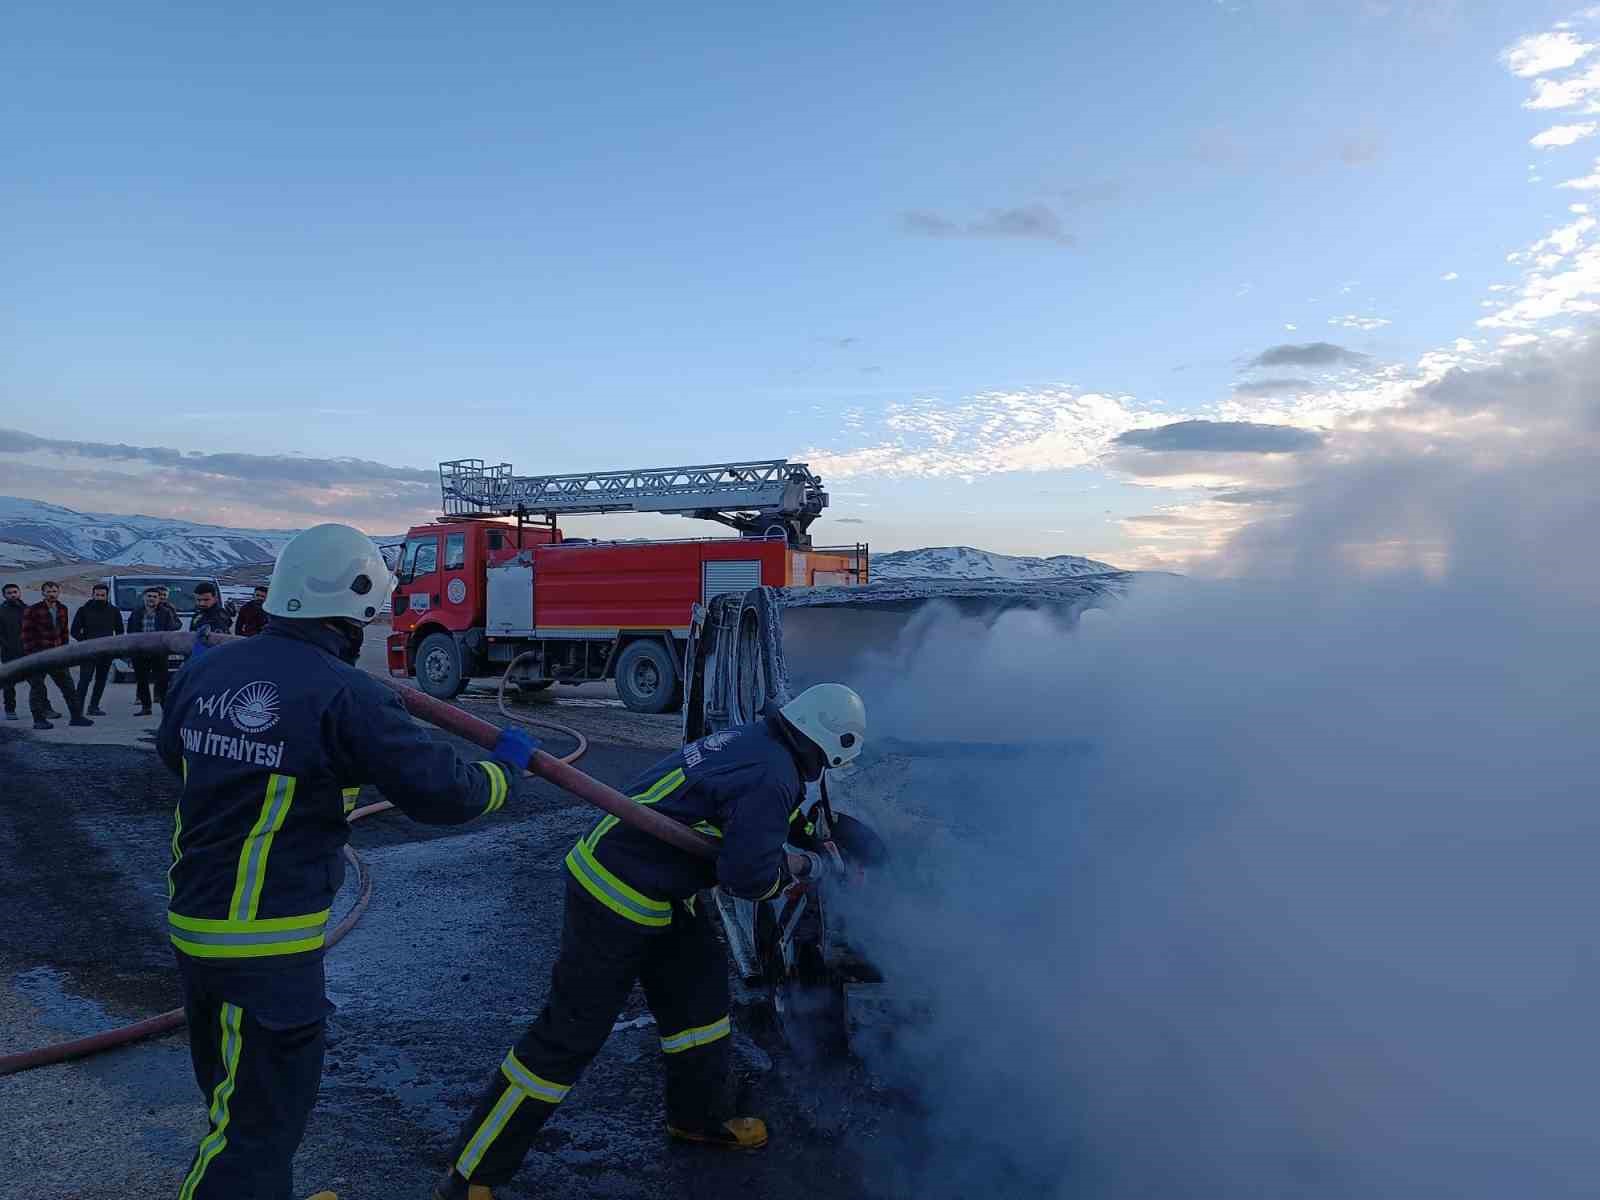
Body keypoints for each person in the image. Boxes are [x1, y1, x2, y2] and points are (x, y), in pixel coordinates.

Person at [157, 522, 537, 1200]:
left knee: (234, 1093)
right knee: (255, 1126)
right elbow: (444, 793)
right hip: (267, 948)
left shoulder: (206, 667)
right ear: (356, 602)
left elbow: (172, 754)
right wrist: (504, 774)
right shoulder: (347, 693)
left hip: (196, 924)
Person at [432, 682, 867, 1200]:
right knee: (567, 1038)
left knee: (700, 1007)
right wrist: (807, 867)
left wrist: (817, 834)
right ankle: (472, 1174)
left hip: (665, 887)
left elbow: (763, 813)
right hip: (615, 890)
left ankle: (697, 1119)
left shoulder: (761, 745)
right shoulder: (772, 771)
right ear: (829, 748)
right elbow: (748, 878)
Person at [20, 581, 92, 730]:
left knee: (68, 687)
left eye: (54, 591)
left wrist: (65, 652)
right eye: (49, 591)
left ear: (58, 592)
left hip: (57, 655)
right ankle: (38, 720)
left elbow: (64, 632)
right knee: (37, 688)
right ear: (43, 593)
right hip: (38, 655)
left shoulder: (62, 609)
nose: (52, 594)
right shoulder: (33, 610)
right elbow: (26, 635)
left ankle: (76, 717)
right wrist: (31, 656)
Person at [71, 582, 125, 716]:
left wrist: (115, 647)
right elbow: (74, 631)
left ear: (107, 596)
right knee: (85, 680)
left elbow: (119, 631)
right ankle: (77, 709)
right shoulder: (83, 610)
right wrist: (86, 642)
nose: (100, 597)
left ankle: (93, 707)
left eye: (103, 595)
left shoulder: (114, 610)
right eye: (97, 595)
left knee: (101, 681)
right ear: (92, 595)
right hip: (88, 652)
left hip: (106, 652)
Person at [127, 586, 180, 715]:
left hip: (159, 652)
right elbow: (130, 632)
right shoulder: (136, 612)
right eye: (149, 596)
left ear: (159, 599)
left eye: (155, 597)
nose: (151, 599)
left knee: (162, 682)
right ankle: (146, 707)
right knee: (141, 681)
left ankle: (165, 709)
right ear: (144, 598)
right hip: (140, 652)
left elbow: (172, 628)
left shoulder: (166, 612)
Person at [1, 582, 24, 721]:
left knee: (36, 682)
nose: (12, 595)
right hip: (9, 653)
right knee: (9, 684)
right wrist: (7, 645)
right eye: (9, 593)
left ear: (19, 593)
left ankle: (43, 708)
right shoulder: (1, 611)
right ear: (4, 595)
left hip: (28, 652)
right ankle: (10, 710)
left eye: (15, 592)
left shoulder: (27, 609)